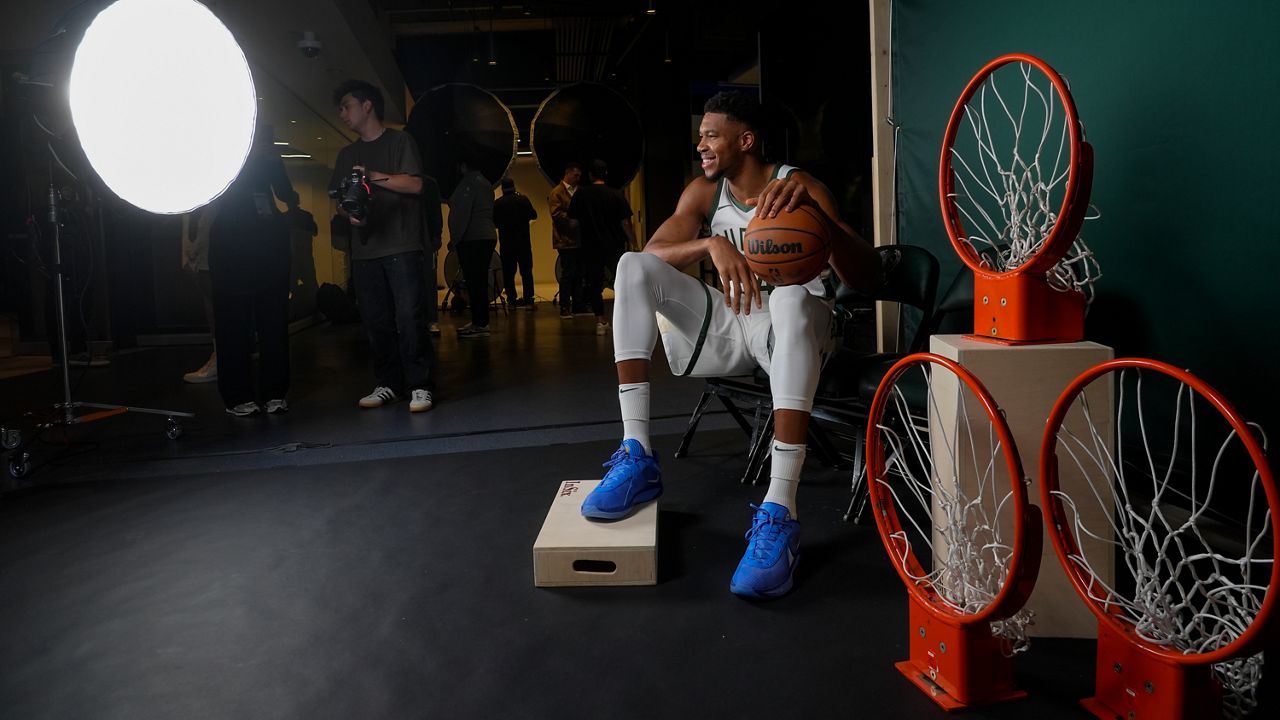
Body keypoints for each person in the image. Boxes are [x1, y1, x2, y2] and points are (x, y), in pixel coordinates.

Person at [578, 91, 880, 598]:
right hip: (734, 322)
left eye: (711, 135)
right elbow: (655, 255)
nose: (701, 145)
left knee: (787, 299)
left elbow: (866, 276)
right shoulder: (704, 193)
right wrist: (710, 243)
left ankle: (780, 510)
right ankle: (637, 456)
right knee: (633, 265)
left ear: (747, 140)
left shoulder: (798, 185)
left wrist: (822, 222)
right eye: (700, 136)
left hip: (799, 330)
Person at [330, 78, 435, 413]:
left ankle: (420, 384)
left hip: (401, 246)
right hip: (365, 249)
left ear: (367, 105)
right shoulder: (346, 154)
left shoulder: (399, 141)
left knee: (409, 317)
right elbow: (339, 200)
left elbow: (415, 184)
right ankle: (388, 382)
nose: (342, 114)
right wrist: (350, 215)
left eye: (346, 106)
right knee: (376, 321)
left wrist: (372, 175)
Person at [209, 124, 297, 416]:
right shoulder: (221, 155)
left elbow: (287, 194)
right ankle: (238, 395)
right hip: (232, 243)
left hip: (267, 242)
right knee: (234, 321)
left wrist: (271, 161)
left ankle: (274, 393)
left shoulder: (269, 158)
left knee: (272, 319)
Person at [569, 159, 635, 335]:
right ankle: (625, 319)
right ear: (605, 174)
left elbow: (573, 223)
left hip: (590, 246)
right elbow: (626, 222)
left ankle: (600, 321)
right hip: (615, 246)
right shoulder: (616, 194)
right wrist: (634, 242)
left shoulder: (580, 195)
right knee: (621, 281)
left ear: (590, 175)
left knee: (594, 283)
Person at [447, 160, 498, 338]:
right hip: (487, 235)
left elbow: (461, 215)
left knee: (474, 282)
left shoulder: (468, 183)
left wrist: (454, 239)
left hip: (472, 238)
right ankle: (479, 321)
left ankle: (480, 323)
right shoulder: (486, 183)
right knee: (480, 281)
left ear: (463, 165)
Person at [182, 200, 218, 383]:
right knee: (211, 297)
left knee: (213, 300)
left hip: (208, 244)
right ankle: (224, 354)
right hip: (200, 238)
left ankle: (221, 357)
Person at [493, 177, 538, 310]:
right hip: (523, 243)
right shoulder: (523, 200)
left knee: (508, 273)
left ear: (502, 189)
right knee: (526, 272)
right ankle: (529, 300)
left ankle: (511, 301)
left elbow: (494, 222)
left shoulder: (498, 203)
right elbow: (534, 215)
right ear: (514, 186)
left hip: (507, 244)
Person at [547, 162, 583, 319]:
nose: (578, 178)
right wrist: (572, 220)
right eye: (576, 175)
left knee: (579, 273)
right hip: (565, 239)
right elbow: (555, 214)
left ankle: (578, 305)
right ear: (567, 174)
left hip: (579, 239)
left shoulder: (579, 191)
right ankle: (565, 307)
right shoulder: (557, 192)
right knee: (568, 273)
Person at [420, 174, 444, 335]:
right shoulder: (429, 183)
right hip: (426, 236)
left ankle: (425, 319)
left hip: (415, 236)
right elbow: (435, 211)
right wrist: (437, 235)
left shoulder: (398, 178)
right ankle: (430, 320)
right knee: (428, 280)